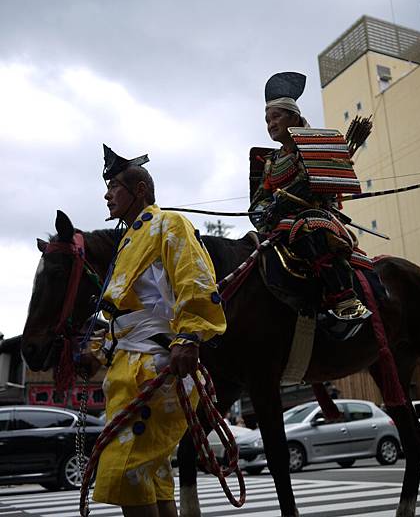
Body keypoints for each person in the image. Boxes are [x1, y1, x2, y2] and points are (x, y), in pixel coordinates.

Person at [91, 145, 227, 517]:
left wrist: (190, 336)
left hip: (156, 363)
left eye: (113, 186)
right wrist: (100, 348)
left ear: (139, 190)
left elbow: (196, 281)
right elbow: (128, 310)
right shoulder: (128, 241)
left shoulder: (170, 223)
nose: (106, 194)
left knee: (125, 469)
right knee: (149, 475)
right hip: (128, 364)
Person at [249, 72, 371, 330]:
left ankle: (345, 300)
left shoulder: (314, 144)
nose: (270, 124)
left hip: (315, 215)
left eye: (276, 117)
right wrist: (263, 211)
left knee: (308, 231)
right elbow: (260, 197)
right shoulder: (270, 161)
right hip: (279, 221)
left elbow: (315, 184)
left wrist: (284, 202)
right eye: (267, 120)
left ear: (294, 117)